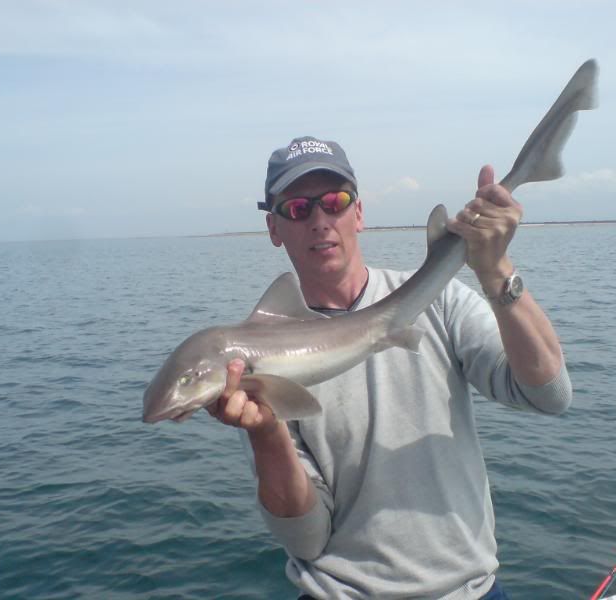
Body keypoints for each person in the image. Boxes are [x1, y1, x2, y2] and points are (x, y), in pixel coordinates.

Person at [207, 136, 572, 599]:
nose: (320, 221)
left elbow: (548, 394)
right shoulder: (256, 364)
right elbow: (307, 540)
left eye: (335, 202)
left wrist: (496, 270)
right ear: (273, 227)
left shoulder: (440, 301)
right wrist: (266, 433)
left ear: (358, 212)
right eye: (298, 208)